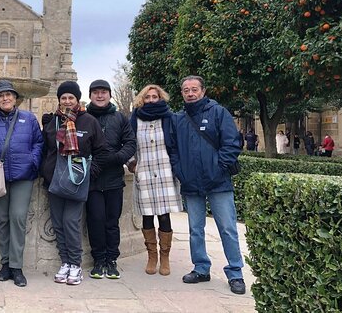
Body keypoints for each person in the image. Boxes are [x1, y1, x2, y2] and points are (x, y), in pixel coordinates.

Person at [170, 75, 246, 295]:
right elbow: (173, 149)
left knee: (228, 229)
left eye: (194, 89)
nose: (190, 93)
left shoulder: (219, 112)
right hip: (191, 183)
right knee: (195, 229)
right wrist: (180, 171)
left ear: (203, 91)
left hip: (219, 182)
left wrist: (218, 168)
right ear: (182, 93)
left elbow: (232, 143)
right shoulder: (178, 119)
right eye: (186, 90)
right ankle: (201, 268)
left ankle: (235, 272)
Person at [0, 80, 43, 287]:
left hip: (23, 176)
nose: (5, 98)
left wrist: (33, 161)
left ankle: (16, 266)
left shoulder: (29, 118)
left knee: (18, 218)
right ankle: (5, 263)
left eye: (9, 95)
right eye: (1, 95)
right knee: (3, 219)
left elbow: (38, 143)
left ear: (15, 98)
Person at [41, 81, 107, 286]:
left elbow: (101, 152)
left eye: (71, 97)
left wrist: (89, 173)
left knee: (71, 222)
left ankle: (75, 263)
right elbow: (45, 149)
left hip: (76, 181)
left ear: (77, 99)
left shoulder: (89, 121)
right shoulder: (52, 122)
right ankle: (65, 262)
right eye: (63, 98)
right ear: (59, 100)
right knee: (58, 224)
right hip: (54, 180)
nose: (67, 101)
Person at [85, 79, 135, 279]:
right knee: (95, 220)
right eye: (96, 92)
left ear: (109, 95)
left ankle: (111, 260)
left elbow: (130, 142)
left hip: (114, 177)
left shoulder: (119, 118)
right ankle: (98, 260)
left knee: (112, 221)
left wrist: (117, 158)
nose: (99, 95)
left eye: (103, 92)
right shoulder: (84, 117)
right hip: (93, 179)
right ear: (90, 95)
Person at [130, 84, 181, 277]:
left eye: (154, 97)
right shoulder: (135, 118)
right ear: (142, 99)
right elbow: (128, 142)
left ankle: (165, 257)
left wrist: (176, 166)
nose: (151, 100)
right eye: (147, 97)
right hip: (144, 172)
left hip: (165, 172)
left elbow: (176, 143)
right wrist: (132, 164)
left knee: (164, 216)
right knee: (147, 215)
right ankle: (152, 256)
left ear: (161, 98)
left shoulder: (169, 118)